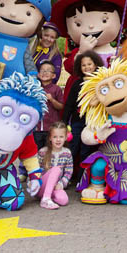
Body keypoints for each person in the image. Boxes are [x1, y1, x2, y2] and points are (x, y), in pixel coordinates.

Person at [63, 50, 104, 184]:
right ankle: (65, 177)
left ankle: (82, 179)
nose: (87, 67)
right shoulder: (77, 84)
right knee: (73, 149)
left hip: (93, 123)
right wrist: (64, 122)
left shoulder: (102, 82)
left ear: (96, 64)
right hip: (78, 122)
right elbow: (69, 105)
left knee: (86, 151)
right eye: (83, 65)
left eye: (89, 64)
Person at [36, 122, 73, 209]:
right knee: (56, 169)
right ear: (50, 138)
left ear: (66, 138)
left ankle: (48, 196)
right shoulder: (43, 152)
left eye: (61, 137)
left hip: (55, 187)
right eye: (55, 137)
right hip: (41, 186)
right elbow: (35, 170)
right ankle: (45, 199)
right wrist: (32, 182)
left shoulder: (67, 153)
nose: (58, 140)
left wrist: (61, 184)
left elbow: (68, 173)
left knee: (64, 200)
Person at [35, 61, 64, 149]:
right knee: (36, 151)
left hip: (51, 128)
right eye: (42, 70)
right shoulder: (35, 88)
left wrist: (52, 99)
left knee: (50, 151)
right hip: (36, 128)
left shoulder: (56, 89)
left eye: (48, 71)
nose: (44, 73)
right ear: (38, 74)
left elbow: (61, 106)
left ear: (53, 75)